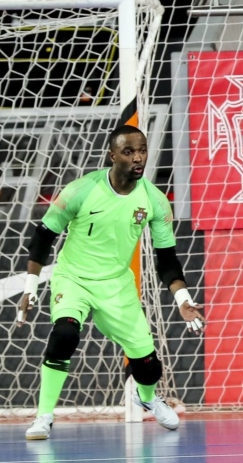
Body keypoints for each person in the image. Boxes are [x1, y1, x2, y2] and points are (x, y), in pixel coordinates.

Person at [15, 101, 205, 440]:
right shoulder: (81, 190)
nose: (138, 158)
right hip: (73, 279)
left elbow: (166, 257)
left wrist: (182, 298)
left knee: (148, 367)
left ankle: (146, 399)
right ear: (112, 156)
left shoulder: (155, 201)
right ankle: (43, 418)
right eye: (129, 151)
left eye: (142, 151)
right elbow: (44, 236)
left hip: (117, 286)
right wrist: (31, 283)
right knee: (65, 335)